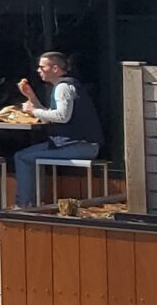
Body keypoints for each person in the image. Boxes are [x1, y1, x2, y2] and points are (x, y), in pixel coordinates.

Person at [14, 49, 102, 207]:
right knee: (24, 156)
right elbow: (49, 115)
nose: (38, 70)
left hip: (80, 145)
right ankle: (32, 203)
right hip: (76, 143)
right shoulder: (67, 85)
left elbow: (62, 116)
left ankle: (25, 205)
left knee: (22, 158)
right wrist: (31, 97)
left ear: (55, 69)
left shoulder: (62, 87)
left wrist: (33, 111)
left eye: (42, 67)